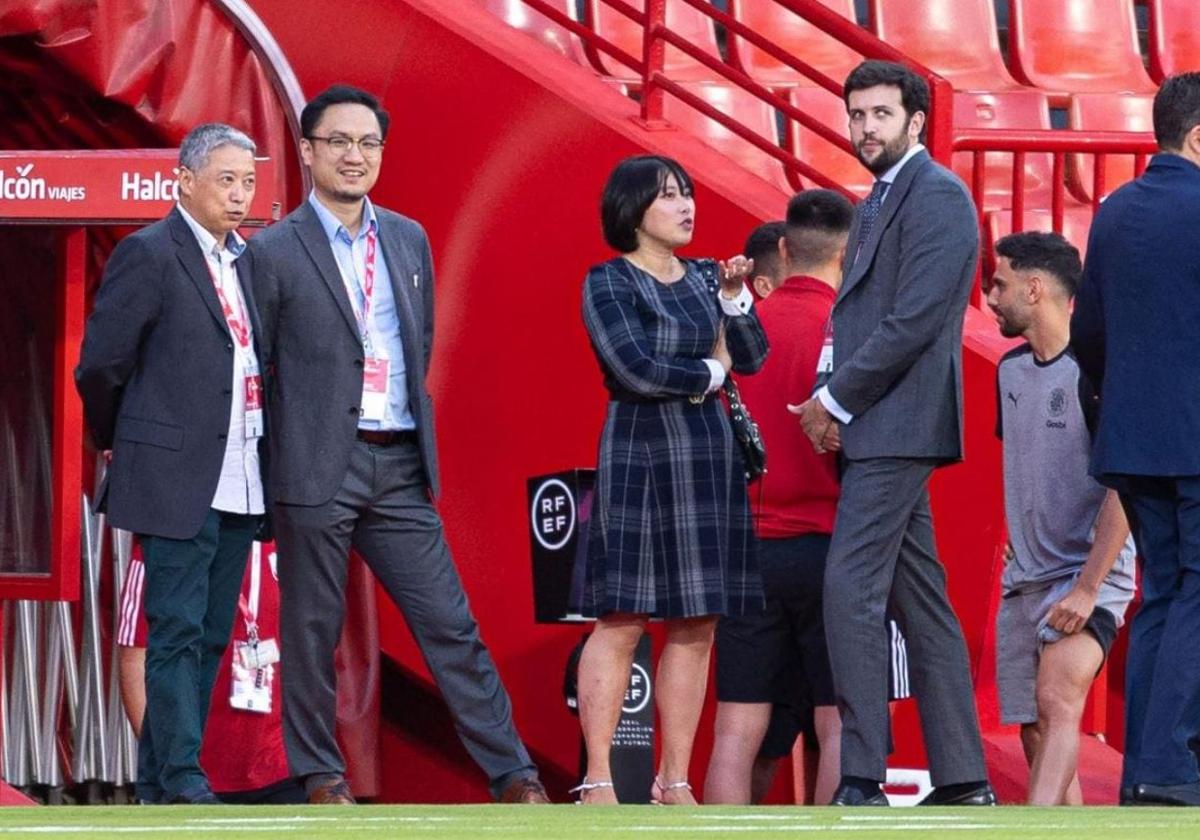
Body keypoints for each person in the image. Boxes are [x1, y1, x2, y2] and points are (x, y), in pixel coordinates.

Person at [245, 85, 547, 806]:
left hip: (400, 460)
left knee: (451, 625)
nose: (355, 156)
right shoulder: (273, 251)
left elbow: (418, 342)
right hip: (316, 461)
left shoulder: (407, 239)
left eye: (369, 143)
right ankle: (320, 777)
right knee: (312, 631)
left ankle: (514, 777)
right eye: (340, 142)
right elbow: (256, 364)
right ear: (309, 150)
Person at [788, 60, 993, 807]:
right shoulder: (879, 197)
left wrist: (833, 402)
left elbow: (912, 322)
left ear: (916, 121)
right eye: (857, 114)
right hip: (881, 420)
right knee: (922, 602)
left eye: (880, 114)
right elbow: (868, 319)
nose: (865, 127)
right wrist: (834, 396)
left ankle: (862, 776)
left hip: (897, 421)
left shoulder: (936, 196)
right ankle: (966, 778)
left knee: (848, 586)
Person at [75, 123, 266, 805]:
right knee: (177, 626)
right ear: (184, 181)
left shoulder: (251, 262)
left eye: (248, 181)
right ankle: (185, 778)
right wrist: (123, 437)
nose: (240, 195)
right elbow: (100, 364)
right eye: (226, 180)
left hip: (243, 472)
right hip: (172, 473)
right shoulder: (149, 253)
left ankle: (160, 778)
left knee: (212, 632)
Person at [575, 154, 768, 804]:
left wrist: (737, 300)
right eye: (669, 196)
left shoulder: (709, 276)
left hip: (707, 455)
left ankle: (674, 779)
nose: (686, 206)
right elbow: (634, 367)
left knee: (697, 621)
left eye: (688, 194)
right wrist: (709, 375)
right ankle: (598, 777)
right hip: (639, 450)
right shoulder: (609, 281)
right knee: (622, 615)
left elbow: (754, 356)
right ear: (632, 209)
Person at [1071, 71, 1200, 807]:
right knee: (1195, 595)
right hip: (1192, 438)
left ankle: (1143, 771)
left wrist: (1121, 401)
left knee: (1162, 598)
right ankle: (1171, 765)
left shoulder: (1114, 210)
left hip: (1132, 436)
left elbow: (1090, 333)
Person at [705, 193, 850, 806]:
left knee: (737, 727)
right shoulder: (851, 329)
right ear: (848, 256)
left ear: (784, 251)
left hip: (747, 552)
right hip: (831, 549)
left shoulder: (739, 332)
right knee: (840, 721)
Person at [986, 231, 1136, 805]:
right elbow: (1025, 466)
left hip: (1089, 576)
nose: (991, 296)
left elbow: (1124, 486)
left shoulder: (1097, 372)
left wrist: (1089, 587)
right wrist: (1017, 538)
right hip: (1025, 579)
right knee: (1034, 726)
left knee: (1057, 700)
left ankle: (1032, 830)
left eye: (999, 283)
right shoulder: (1009, 371)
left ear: (1034, 287)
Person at [116, 542, 306, 803]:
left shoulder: (289, 537)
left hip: (281, 767)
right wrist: (167, 762)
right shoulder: (162, 547)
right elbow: (135, 660)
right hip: (195, 775)